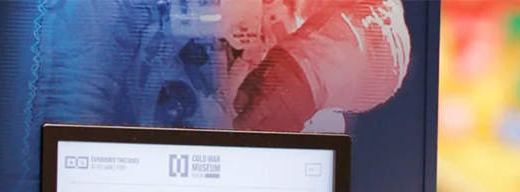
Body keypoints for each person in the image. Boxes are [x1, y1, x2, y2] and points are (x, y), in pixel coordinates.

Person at [33, 0, 411, 132]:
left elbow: (385, 34)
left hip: (273, 182)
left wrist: (303, 74)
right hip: (142, 179)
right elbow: (67, 103)